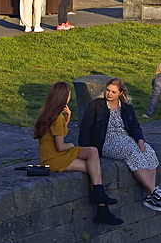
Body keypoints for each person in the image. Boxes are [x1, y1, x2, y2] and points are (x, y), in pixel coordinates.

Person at [33, 81, 122, 225]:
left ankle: (100, 202)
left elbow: (53, 135)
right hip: (55, 158)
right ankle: (102, 207)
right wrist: (72, 144)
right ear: (63, 96)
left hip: (50, 156)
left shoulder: (47, 112)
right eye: (68, 94)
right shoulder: (57, 117)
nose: (69, 96)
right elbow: (61, 146)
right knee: (94, 169)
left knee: (92, 153)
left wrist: (66, 122)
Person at [79, 77, 161, 212]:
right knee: (130, 151)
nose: (109, 94)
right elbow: (85, 128)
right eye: (108, 90)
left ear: (121, 93)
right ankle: (153, 190)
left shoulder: (126, 107)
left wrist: (140, 140)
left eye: (113, 92)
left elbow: (135, 126)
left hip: (125, 137)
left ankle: (150, 196)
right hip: (105, 141)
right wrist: (85, 149)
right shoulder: (96, 105)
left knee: (148, 151)